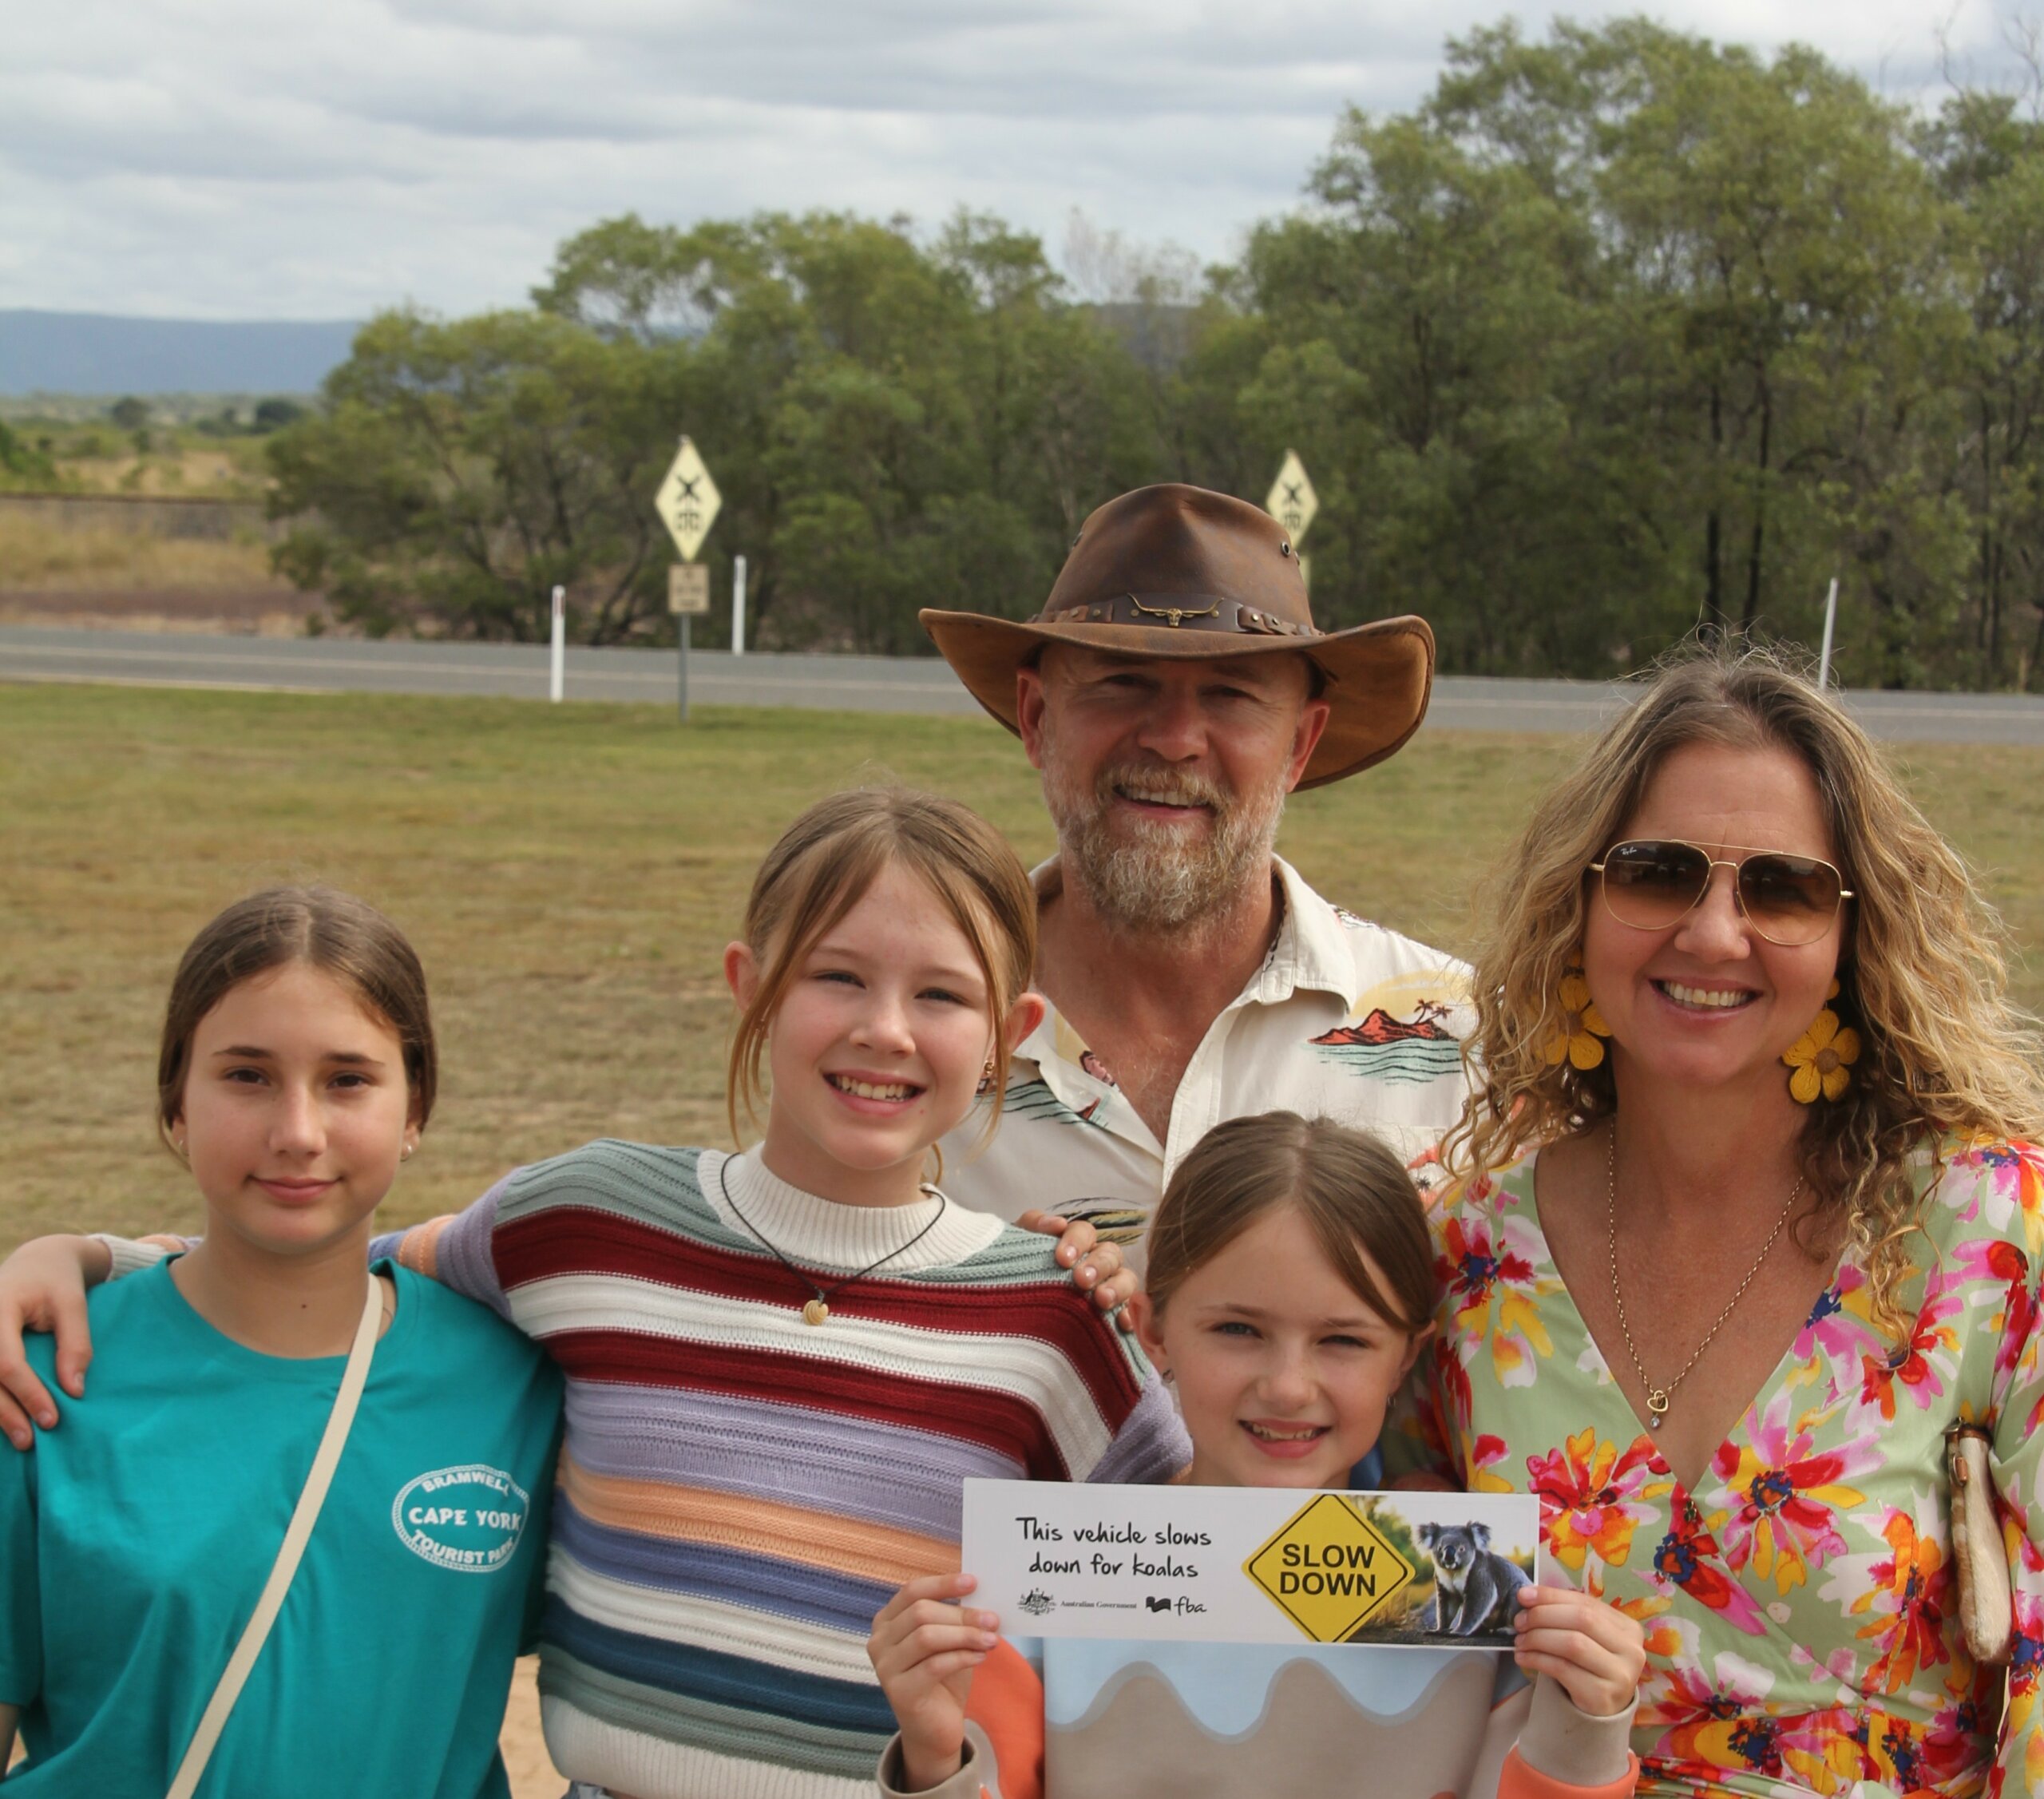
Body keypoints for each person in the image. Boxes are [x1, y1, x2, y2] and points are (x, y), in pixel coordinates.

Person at [0, 790, 1187, 1799]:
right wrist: (90, 1257)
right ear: (750, 986)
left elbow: (1193, 1593)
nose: (884, 1029)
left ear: (1010, 1033)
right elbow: (324, 1261)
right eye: (837, 976)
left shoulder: (1049, 1317)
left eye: (942, 995)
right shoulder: (589, 1221)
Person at [1389, 644, 2044, 1793]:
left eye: (1782, 888)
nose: (1713, 932)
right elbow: (1377, 1619)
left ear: (1853, 939)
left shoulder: (1992, 1233)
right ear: (1580, 902)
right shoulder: (1463, 1253)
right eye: (1657, 872)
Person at [868, 1111, 1646, 1799]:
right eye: (1238, 1330)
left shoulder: (1483, 1597)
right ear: (1154, 1330)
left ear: (1406, 1359)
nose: (1286, 1387)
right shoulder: (1043, 1587)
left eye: (1342, 1340)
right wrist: (939, 1757)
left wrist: (1586, 1725)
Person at [0, 887, 563, 1795]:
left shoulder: (516, 1385)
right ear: (174, 1104)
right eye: (246, 1075)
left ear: (414, 1108)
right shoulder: (39, 1380)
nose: (297, 1132)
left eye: (348, 1080)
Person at [921, 483, 1474, 1262]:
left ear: (1299, 747)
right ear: (1037, 718)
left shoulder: (1467, 1045)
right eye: (1122, 681)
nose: (1175, 738)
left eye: (1230, 695)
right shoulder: (900, 1039)